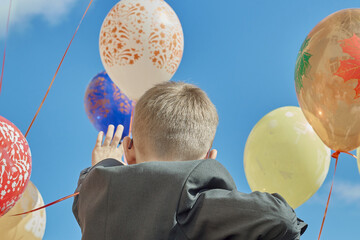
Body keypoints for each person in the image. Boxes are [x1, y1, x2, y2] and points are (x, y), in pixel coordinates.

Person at [73, 82, 307, 240]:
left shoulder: (93, 204)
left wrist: (101, 168)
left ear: (129, 151)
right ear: (209, 157)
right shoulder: (197, 205)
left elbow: (86, 195)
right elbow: (282, 219)